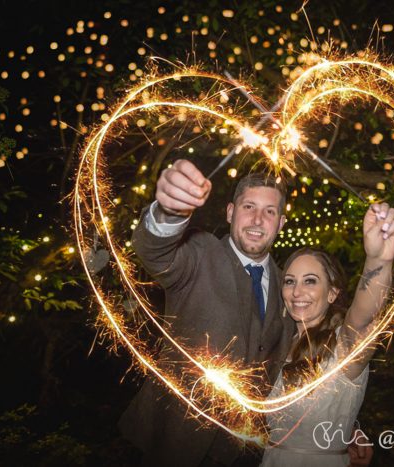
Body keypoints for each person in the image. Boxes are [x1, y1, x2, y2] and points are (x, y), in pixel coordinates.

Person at [118, 159, 295, 466]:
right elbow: (154, 251)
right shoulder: (200, 252)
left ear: (280, 223)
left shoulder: (289, 286)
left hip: (244, 453)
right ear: (230, 212)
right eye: (248, 206)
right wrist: (169, 212)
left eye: (270, 211)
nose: (257, 219)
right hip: (170, 443)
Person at [260, 202, 394, 467]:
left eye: (310, 281)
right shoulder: (279, 345)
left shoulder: (343, 344)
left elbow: (363, 316)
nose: (297, 292)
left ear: (333, 293)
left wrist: (378, 260)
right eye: (290, 281)